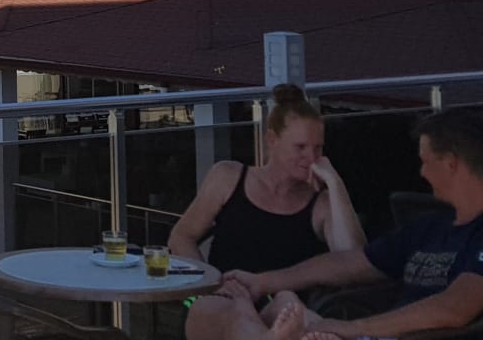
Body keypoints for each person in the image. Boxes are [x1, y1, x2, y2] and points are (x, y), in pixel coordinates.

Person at [186, 107, 483, 340]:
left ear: (450, 163)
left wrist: (351, 328)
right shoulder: (430, 227)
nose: (421, 172)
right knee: (240, 307)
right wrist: (262, 282)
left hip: (387, 335)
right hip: (367, 335)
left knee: (247, 314)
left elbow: (454, 308)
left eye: (425, 161)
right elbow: (352, 263)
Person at [171, 84, 365, 277]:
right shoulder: (227, 178)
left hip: (288, 297)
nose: (311, 157)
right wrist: (210, 283)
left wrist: (335, 183)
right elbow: (182, 236)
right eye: (300, 147)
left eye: (318, 148)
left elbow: (354, 264)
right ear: (272, 140)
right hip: (224, 293)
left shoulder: (322, 203)